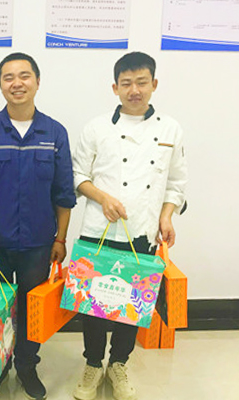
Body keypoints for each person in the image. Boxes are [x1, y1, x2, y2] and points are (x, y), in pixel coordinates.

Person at [71, 52, 188, 400]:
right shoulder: (96, 127)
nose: (134, 90)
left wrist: (166, 215)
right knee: (92, 304)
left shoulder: (170, 128)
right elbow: (77, 175)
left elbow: (176, 183)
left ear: (154, 84)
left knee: (133, 305)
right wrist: (102, 197)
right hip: (98, 230)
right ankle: (93, 364)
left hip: (143, 231)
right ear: (115, 88)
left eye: (141, 82)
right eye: (126, 83)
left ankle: (119, 364)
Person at [0, 52, 76, 400]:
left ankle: (27, 366)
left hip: (38, 244)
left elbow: (64, 192)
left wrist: (60, 238)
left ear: (37, 82)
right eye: (8, 77)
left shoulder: (54, 133)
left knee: (31, 310)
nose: (17, 83)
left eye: (24, 76)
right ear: (0, 85)